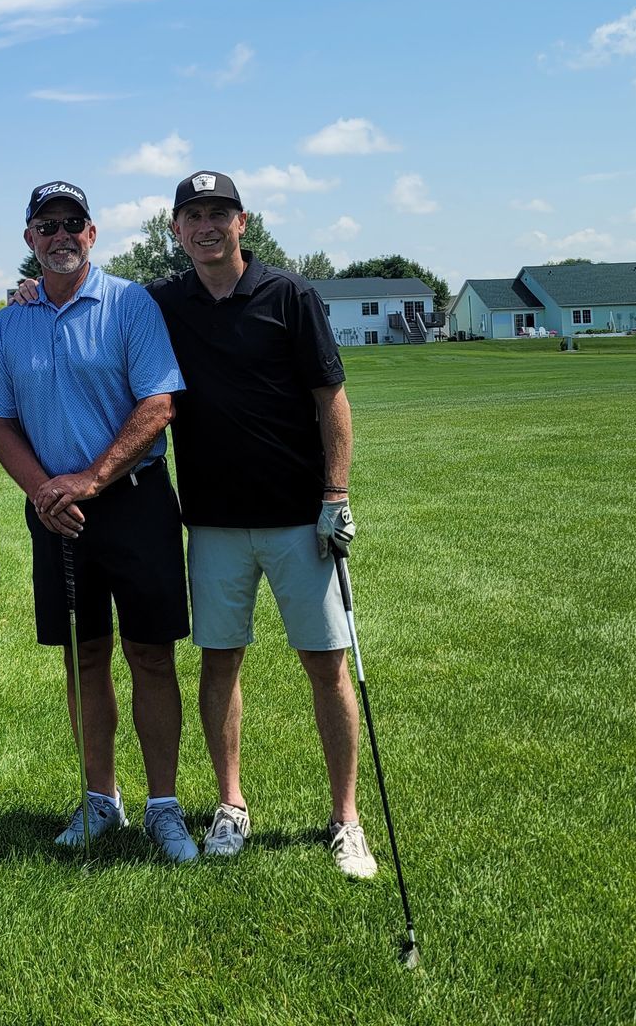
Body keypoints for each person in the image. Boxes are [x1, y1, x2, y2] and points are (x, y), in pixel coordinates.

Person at [146, 170, 376, 878]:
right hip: (212, 522)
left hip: (299, 519)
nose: (206, 226)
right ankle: (231, 804)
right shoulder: (163, 302)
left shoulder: (290, 294)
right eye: (193, 215)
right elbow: (96, 302)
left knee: (326, 664)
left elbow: (331, 399)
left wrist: (335, 495)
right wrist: (32, 290)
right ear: (176, 229)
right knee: (220, 661)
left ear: (243, 222)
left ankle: (346, 819)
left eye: (220, 213)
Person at [0, 181, 197, 862]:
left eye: (73, 222)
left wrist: (92, 479)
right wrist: (46, 492)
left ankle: (163, 806)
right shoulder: (8, 324)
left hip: (133, 500)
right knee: (84, 654)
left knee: (150, 654)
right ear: (30, 239)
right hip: (56, 515)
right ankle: (101, 798)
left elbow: (158, 405)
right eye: (47, 226)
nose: (61, 235)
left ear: (92, 233)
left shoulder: (130, 304)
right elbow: (0, 422)